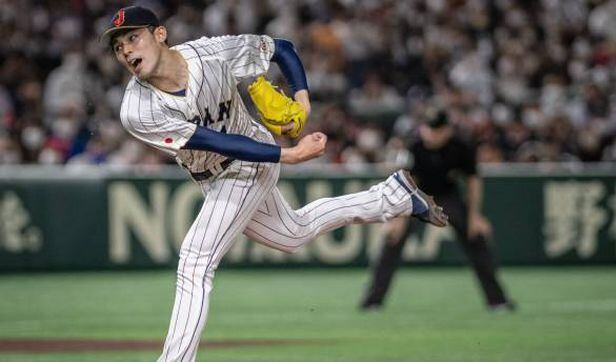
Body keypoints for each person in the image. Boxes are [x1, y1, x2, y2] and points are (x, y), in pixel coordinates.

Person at [101, 6, 449, 362]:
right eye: (118, 47)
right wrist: (290, 155)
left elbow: (281, 48)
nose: (127, 50)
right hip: (224, 167)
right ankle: (393, 196)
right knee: (293, 233)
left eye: (133, 37)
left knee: (195, 261)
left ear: (160, 34)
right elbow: (213, 141)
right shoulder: (137, 110)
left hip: (249, 163)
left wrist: (302, 101)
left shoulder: (213, 53)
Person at [360, 110, 515, 312]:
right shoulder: (413, 146)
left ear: (447, 130)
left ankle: (498, 301)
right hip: (415, 196)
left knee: (476, 239)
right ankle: (372, 302)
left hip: (448, 197)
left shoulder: (460, 146)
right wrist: (397, 219)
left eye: (437, 130)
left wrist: (475, 216)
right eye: (428, 129)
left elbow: (473, 181)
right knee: (392, 240)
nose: (431, 134)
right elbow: (405, 184)